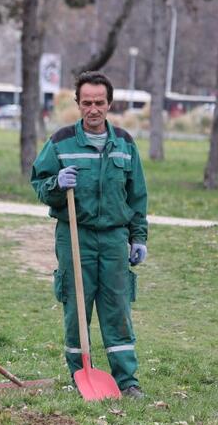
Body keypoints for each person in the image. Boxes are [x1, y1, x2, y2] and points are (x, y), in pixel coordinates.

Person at [30, 71, 148, 400]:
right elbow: (39, 183)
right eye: (86, 103)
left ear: (109, 104)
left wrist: (138, 237)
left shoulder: (124, 144)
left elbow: (137, 195)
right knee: (76, 306)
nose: (93, 109)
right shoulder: (61, 143)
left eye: (99, 102)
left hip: (113, 238)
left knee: (117, 309)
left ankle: (127, 381)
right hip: (75, 235)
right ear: (78, 104)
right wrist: (56, 184)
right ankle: (80, 373)